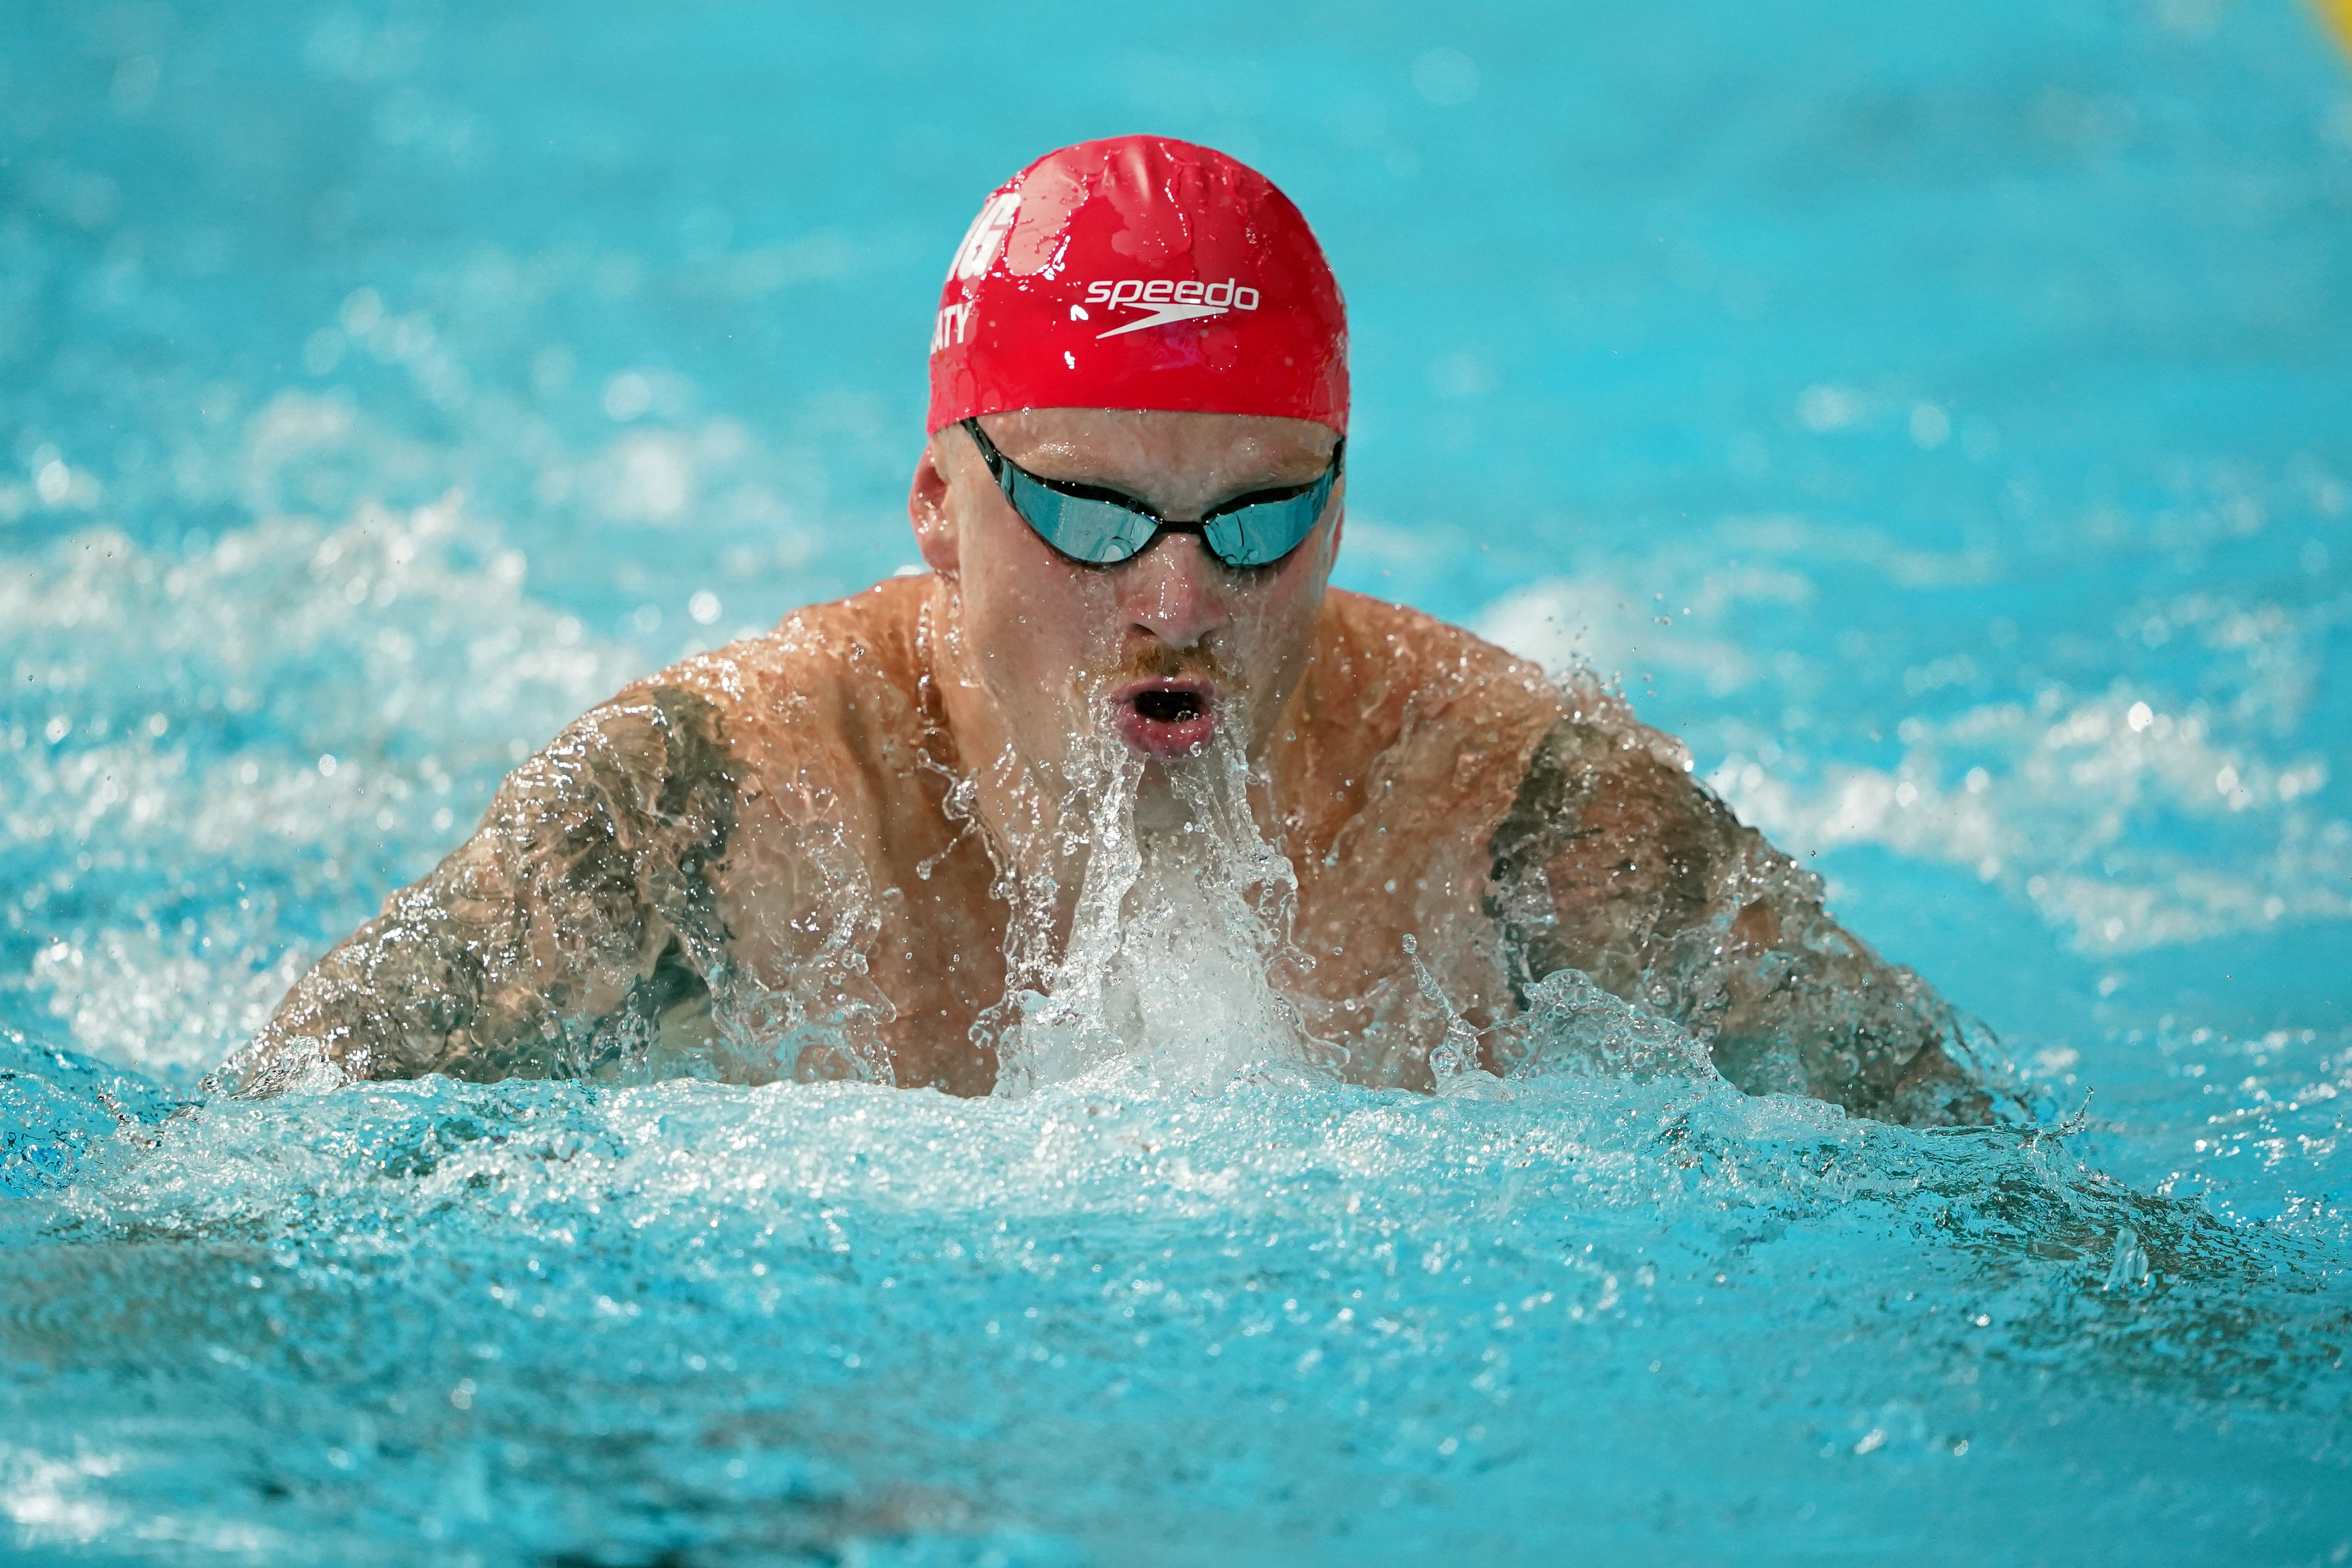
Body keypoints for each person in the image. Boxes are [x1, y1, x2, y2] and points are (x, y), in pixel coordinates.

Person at [223, 135, 1996, 1125]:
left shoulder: (1512, 805)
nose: (1176, 600)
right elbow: (264, 1161)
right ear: (937, 505)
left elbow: (1969, 1171)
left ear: (1343, 503)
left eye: (1259, 517)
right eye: (1082, 514)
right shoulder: (717, 812)